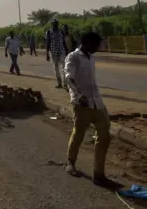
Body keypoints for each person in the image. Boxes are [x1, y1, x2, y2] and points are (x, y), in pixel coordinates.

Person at [64, 32, 117, 188]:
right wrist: (79, 96)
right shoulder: (73, 57)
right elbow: (69, 78)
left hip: (98, 103)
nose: (98, 47)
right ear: (87, 43)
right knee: (79, 133)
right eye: (96, 44)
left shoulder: (91, 58)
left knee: (104, 137)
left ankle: (99, 174)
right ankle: (70, 162)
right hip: (82, 103)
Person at [45, 18, 68, 88]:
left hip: (61, 51)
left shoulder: (61, 31)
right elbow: (48, 42)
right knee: (56, 68)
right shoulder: (49, 32)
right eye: (54, 23)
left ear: (58, 24)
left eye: (56, 23)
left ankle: (65, 83)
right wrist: (47, 54)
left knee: (63, 67)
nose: (55, 24)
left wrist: (67, 50)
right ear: (52, 24)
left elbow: (63, 41)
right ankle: (59, 83)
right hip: (53, 51)